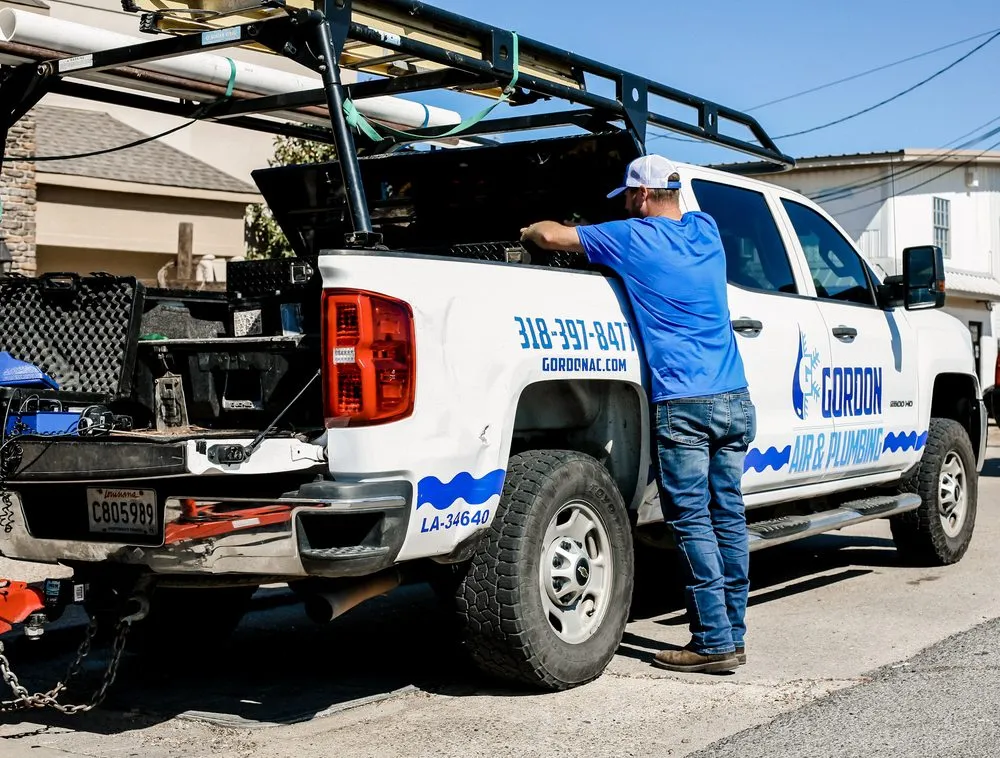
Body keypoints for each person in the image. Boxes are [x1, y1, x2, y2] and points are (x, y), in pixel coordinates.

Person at [520, 154, 756, 674]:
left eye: (629, 195)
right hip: (735, 399)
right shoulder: (707, 230)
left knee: (692, 522)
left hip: (685, 405)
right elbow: (682, 205)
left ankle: (713, 642)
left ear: (643, 198)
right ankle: (732, 635)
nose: (625, 204)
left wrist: (528, 227)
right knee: (728, 518)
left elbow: (554, 237)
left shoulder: (632, 237)